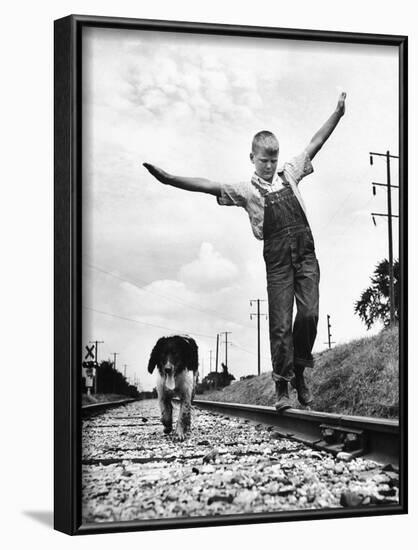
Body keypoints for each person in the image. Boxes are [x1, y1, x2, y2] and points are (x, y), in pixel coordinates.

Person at [143, 92, 346, 412]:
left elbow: (314, 143)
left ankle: (300, 373)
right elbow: (207, 184)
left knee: (309, 314)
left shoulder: (290, 172)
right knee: (280, 324)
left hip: (306, 252)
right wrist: (169, 179)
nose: (269, 164)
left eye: (273, 159)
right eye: (263, 159)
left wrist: (338, 114)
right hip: (277, 259)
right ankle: (282, 386)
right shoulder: (244, 190)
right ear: (252, 157)